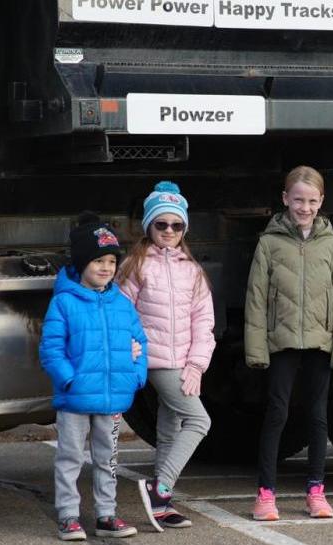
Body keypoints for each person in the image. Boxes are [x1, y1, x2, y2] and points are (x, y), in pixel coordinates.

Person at [245, 165, 333, 521]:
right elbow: (256, 299)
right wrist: (257, 350)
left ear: (321, 201)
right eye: (297, 200)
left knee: (317, 415)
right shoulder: (269, 243)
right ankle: (265, 494)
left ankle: (316, 490)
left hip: (320, 344)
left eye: (311, 201)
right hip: (282, 343)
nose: (304, 207)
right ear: (285, 199)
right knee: (277, 413)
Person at [39, 213, 148, 541]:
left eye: (112, 261)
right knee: (70, 457)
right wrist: (69, 380)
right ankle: (69, 516)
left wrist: (135, 378)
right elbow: (51, 350)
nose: (106, 267)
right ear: (82, 263)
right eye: (98, 260)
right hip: (75, 399)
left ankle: (106, 514)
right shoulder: (64, 303)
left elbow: (139, 343)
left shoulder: (122, 304)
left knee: (108, 459)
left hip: (112, 398)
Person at [117, 181, 216, 531]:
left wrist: (196, 364)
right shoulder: (135, 265)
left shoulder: (192, 270)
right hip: (155, 361)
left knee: (171, 426)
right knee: (199, 421)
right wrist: (130, 349)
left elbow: (204, 321)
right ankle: (158, 487)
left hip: (184, 363)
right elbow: (122, 313)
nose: (169, 231)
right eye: (161, 225)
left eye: (176, 225)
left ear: (184, 228)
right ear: (149, 226)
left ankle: (162, 505)